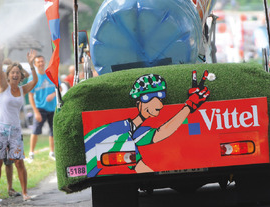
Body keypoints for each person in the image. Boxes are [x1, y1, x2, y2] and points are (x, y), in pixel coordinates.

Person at [84, 71, 212, 176]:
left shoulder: (130, 128)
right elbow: (144, 170)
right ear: (142, 101)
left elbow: (161, 132)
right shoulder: (120, 136)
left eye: (161, 97)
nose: (161, 104)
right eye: (156, 97)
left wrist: (189, 106)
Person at [0, 47, 38, 203]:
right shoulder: (4, 88)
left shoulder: (22, 90)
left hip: (15, 130)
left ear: (20, 75)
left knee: (19, 162)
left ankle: (24, 193)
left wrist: (31, 64)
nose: (15, 74)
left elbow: (35, 81)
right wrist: (0, 55)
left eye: (17, 72)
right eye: (12, 73)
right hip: (0, 129)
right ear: (8, 76)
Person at [27, 54, 57, 161]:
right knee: (35, 130)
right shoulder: (33, 78)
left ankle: (52, 152)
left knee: (53, 131)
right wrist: (35, 112)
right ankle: (31, 153)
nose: (41, 63)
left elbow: (59, 88)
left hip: (53, 108)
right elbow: (30, 95)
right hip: (40, 108)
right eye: (38, 62)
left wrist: (53, 95)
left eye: (42, 61)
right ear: (35, 64)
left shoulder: (51, 74)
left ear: (45, 62)